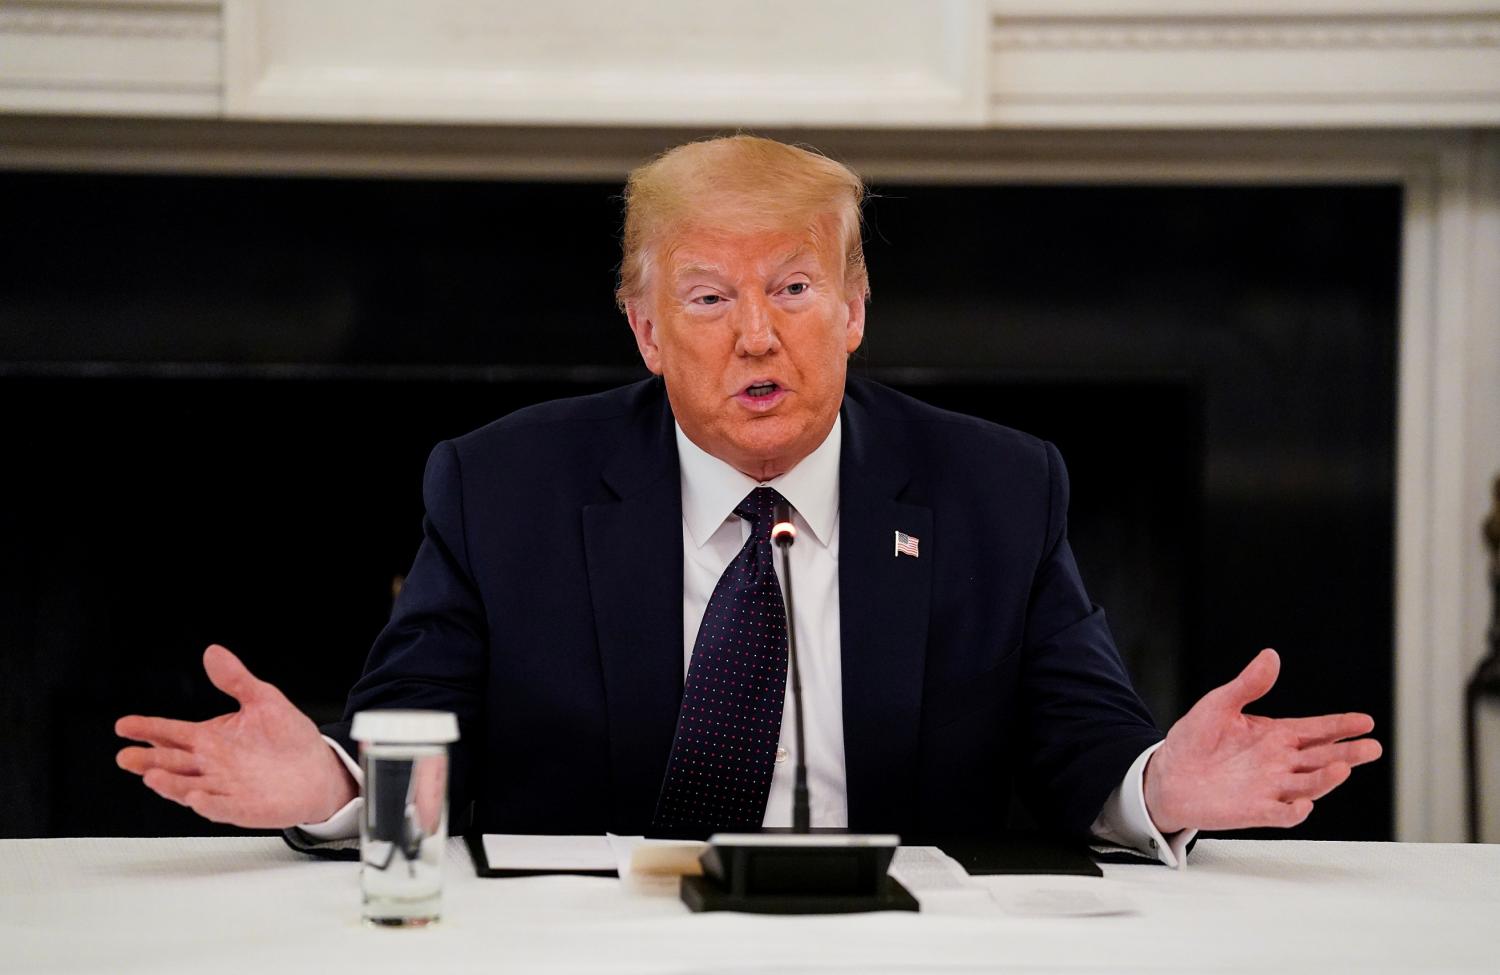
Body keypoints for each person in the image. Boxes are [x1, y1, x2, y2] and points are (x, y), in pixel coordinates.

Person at [114, 135, 1381, 864]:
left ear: (858, 308)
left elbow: (1081, 747)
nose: (757, 338)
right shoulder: (503, 485)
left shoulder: (996, 487)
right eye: (711, 299)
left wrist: (1168, 791)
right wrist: (337, 793)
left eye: (793, 290)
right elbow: (416, 740)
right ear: (647, 328)